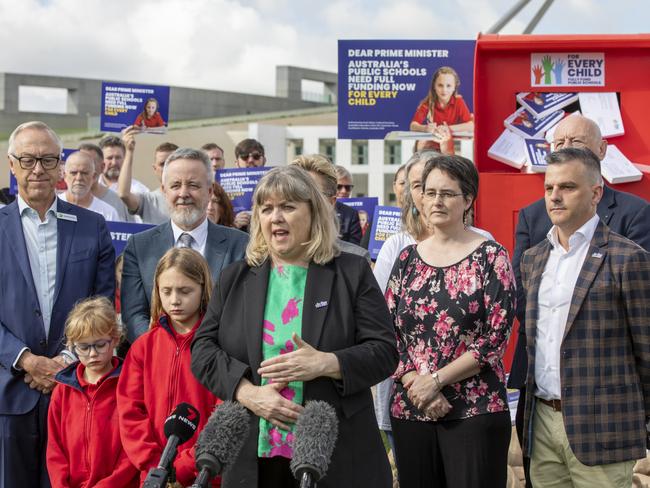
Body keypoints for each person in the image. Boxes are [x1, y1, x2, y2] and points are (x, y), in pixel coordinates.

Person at [191, 165, 398, 488]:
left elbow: (385, 352)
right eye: (267, 208)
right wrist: (247, 393)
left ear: (314, 213)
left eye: (288, 207)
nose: (276, 217)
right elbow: (203, 351)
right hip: (254, 455)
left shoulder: (351, 272)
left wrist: (328, 363)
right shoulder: (236, 277)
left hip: (336, 454)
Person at [508, 114, 650, 487]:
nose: (555, 196)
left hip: (602, 424)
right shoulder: (533, 258)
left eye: (567, 187)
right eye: (549, 187)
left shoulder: (627, 256)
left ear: (596, 192)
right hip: (542, 421)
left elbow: (646, 347)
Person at [386, 154, 516, 487]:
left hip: (476, 410)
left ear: (468, 198)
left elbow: (495, 338)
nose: (436, 201)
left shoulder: (491, 256)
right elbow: (387, 333)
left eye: (447, 193)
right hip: (411, 409)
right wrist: (419, 384)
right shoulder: (406, 260)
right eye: (429, 193)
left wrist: (437, 380)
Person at [0, 121, 115, 487]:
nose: (38, 169)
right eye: (28, 159)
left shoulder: (91, 226)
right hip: (8, 393)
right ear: (11, 164)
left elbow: (103, 303)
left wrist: (65, 360)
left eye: (48, 160)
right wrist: (26, 360)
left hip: (73, 391)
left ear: (60, 165)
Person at [121, 147, 248, 342]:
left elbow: (242, 314)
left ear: (209, 191)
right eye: (175, 185)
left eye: (193, 185)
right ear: (164, 191)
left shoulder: (240, 245)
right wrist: (164, 350)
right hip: (159, 361)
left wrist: (204, 354)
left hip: (218, 362)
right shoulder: (140, 247)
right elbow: (134, 316)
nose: (183, 193)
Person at [118, 248, 221, 487]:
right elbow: (130, 413)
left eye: (185, 291)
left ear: (203, 288)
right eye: (167, 291)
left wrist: (183, 467)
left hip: (204, 476)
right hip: (154, 478)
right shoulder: (144, 346)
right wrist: (157, 467)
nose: (175, 300)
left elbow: (223, 414)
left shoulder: (219, 345)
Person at [46, 296, 139, 488]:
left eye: (100, 344)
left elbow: (134, 448)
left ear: (115, 339)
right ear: (72, 345)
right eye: (84, 346)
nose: (92, 353)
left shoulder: (130, 385)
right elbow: (55, 450)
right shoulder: (62, 391)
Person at [290, 154, 371, 263]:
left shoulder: (357, 261)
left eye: (311, 195)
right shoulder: (263, 260)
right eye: (293, 195)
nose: (300, 202)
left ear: (331, 203)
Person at [118, 129, 177, 224]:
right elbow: (124, 194)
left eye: (171, 163)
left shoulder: (193, 197)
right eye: (162, 164)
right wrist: (129, 151)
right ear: (155, 169)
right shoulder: (148, 201)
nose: (167, 168)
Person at [410, 66, 474, 134]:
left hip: (455, 141)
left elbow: (471, 126)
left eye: (448, 86)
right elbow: (413, 125)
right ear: (434, 86)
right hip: (435, 141)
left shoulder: (458, 101)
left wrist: (448, 128)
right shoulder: (428, 103)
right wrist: (425, 128)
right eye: (440, 85)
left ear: (454, 88)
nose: (444, 90)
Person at [59, 151, 120, 221]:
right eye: (74, 173)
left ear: (93, 177)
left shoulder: (109, 214)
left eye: (84, 173)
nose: (79, 178)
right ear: (65, 176)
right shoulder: (51, 207)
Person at [78, 142, 132, 221]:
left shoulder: (118, 201)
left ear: (102, 167)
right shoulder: (61, 201)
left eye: (91, 163)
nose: (84, 169)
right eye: (81, 162)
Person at [233, 138, 267, 231]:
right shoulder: (224, 187)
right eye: (244, 156)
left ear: (264, 160)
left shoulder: (276, 184)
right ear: (237, 163)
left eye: (256, 156)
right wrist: (233, 223)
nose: (251, 160)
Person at [334, 165, 362, 245]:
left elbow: (355, 247)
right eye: (338, 187)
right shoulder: (315, 208)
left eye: (348, 187)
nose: (343, 191)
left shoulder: (352, 214)